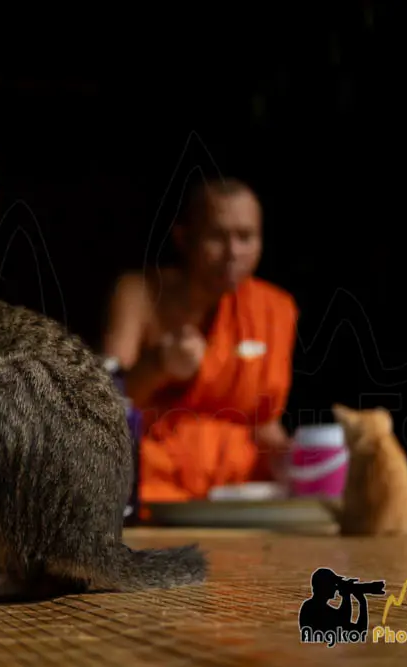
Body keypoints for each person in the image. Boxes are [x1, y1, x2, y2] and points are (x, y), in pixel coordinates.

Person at [102, 177, 298, 503]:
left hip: (241, 496)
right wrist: (158, 365)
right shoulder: (140, 294)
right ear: (184, 237)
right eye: (217, 237)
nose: (233, 252)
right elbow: (102, 400)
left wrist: (302, 461)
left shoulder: (275, 308)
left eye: (246, 237)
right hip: (154, 490)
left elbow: (264, 424)